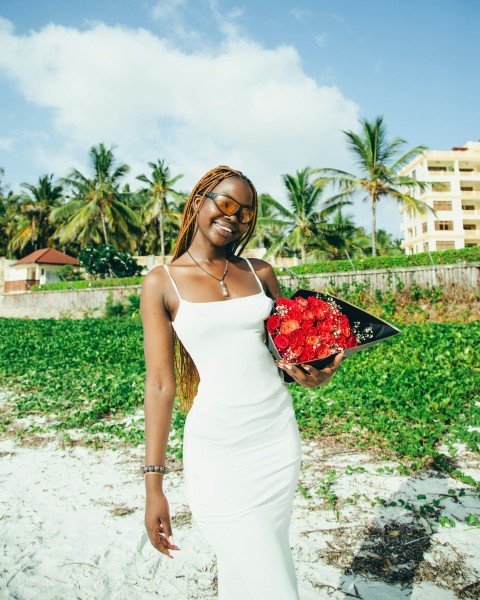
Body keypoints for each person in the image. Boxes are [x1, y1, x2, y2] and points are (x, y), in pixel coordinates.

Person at [140, 165, 343, 599]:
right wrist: (154, 485)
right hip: (216, 447)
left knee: (262, 558)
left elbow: (287, 359)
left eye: (245, 213)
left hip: (275, 440)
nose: (234, 216)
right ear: (199, 201)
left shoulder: (260, 273)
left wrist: (315, 376)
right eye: (226, 203)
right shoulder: (162, 281)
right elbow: (160, 385)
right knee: (256, 563)